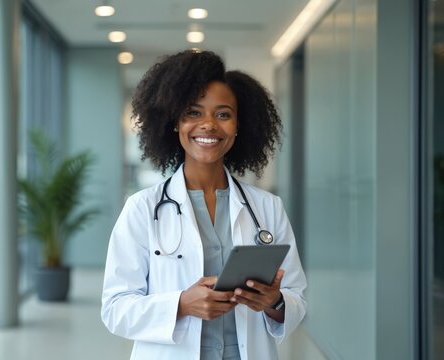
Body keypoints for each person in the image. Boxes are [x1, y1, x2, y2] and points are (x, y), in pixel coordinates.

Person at [101, 50, 306, 360]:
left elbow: (296, 299)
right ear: (174, 122)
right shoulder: (142, 208)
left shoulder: (267, 207)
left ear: (239, 124)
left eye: (223, 114)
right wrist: (182, 304)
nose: (209, 125)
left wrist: (274, 302)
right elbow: (115, 309)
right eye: (194, 113)